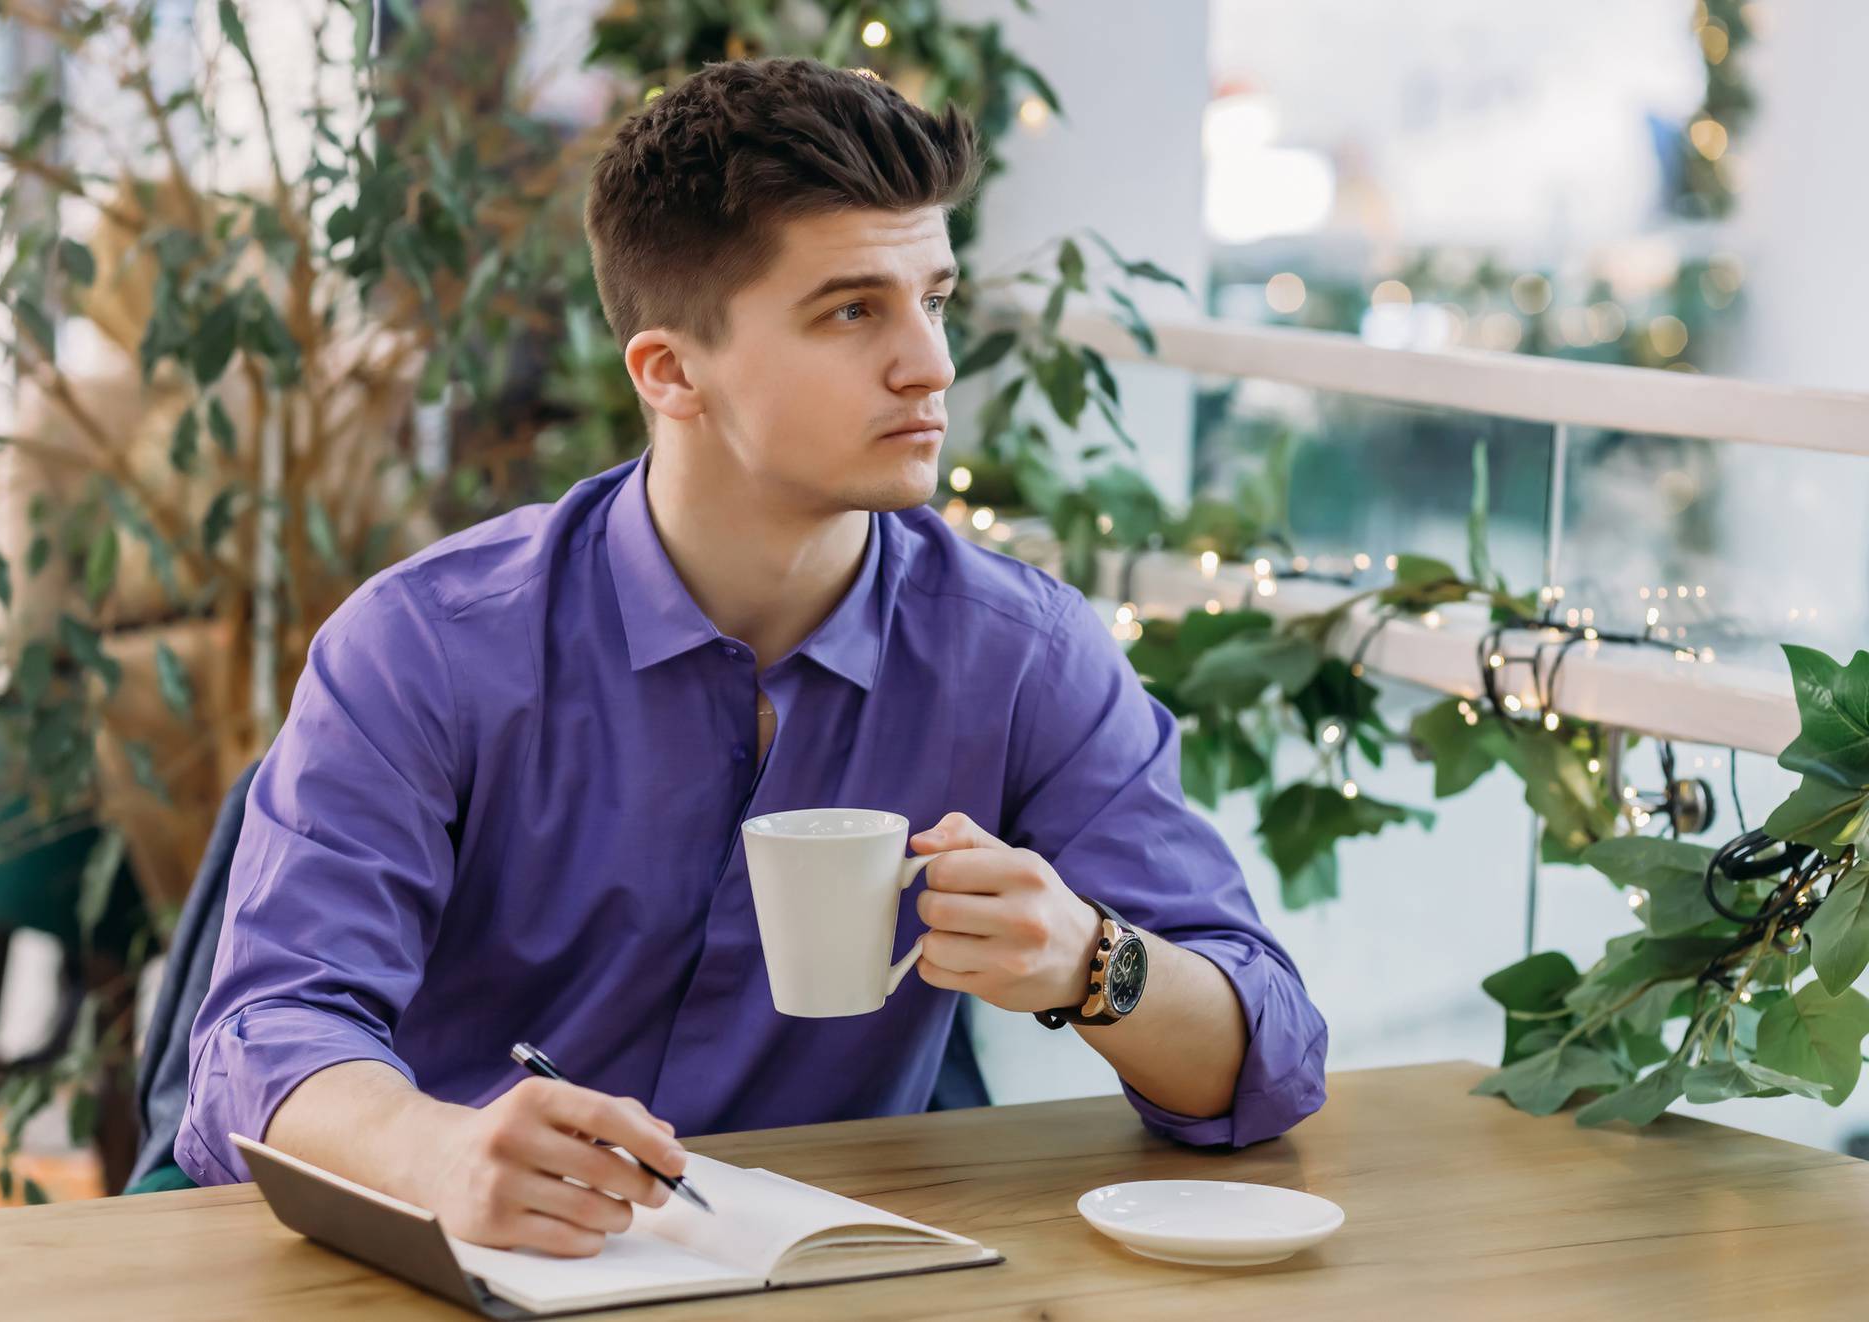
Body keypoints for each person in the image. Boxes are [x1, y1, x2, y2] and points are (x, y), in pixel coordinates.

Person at [178, 57, 1327, 1258]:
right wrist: (440, 1152)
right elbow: (267, 1033)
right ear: (671, 370)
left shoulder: (1024, 655)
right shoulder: (424, 646)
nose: (931, 363)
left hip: (834, 1278)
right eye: (852, 310)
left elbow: (1268, 1063)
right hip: (476, 1267)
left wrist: (1099, 961)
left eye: (932, 297)